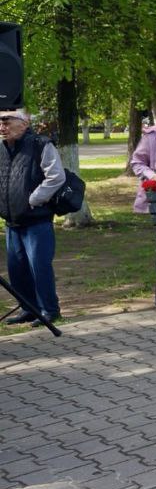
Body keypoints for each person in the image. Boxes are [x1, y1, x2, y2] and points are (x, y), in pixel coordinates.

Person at [0, 107, 66, 326]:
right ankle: (29, 309)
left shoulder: (40, 144)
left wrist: (33, 199)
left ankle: (50, 310)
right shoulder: (2, 148)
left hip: (36, 220)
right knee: (16, 270)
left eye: (7, 121)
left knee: (39, 267)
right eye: (0, 122)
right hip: (12, 221)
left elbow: (56, 176)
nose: (2, 127)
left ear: (24, 123)